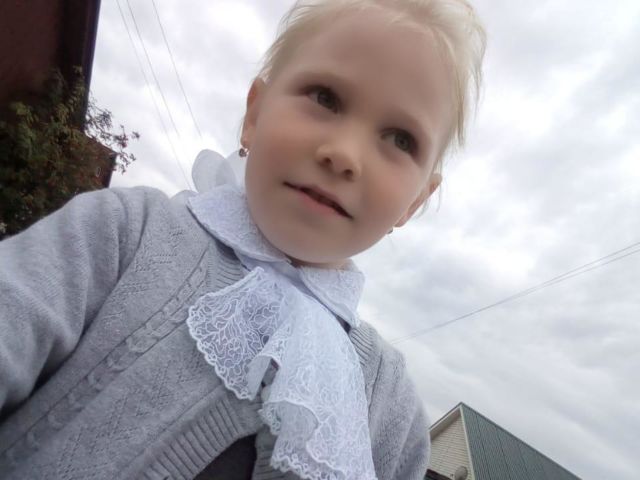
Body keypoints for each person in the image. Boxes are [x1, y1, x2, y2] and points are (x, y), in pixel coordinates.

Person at [0, 0, 486, 478]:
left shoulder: (392, 411)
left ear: (415, 201)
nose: (344, 155)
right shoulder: (125, 232)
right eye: (325, 98)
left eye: (400, 139)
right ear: (254, 115)